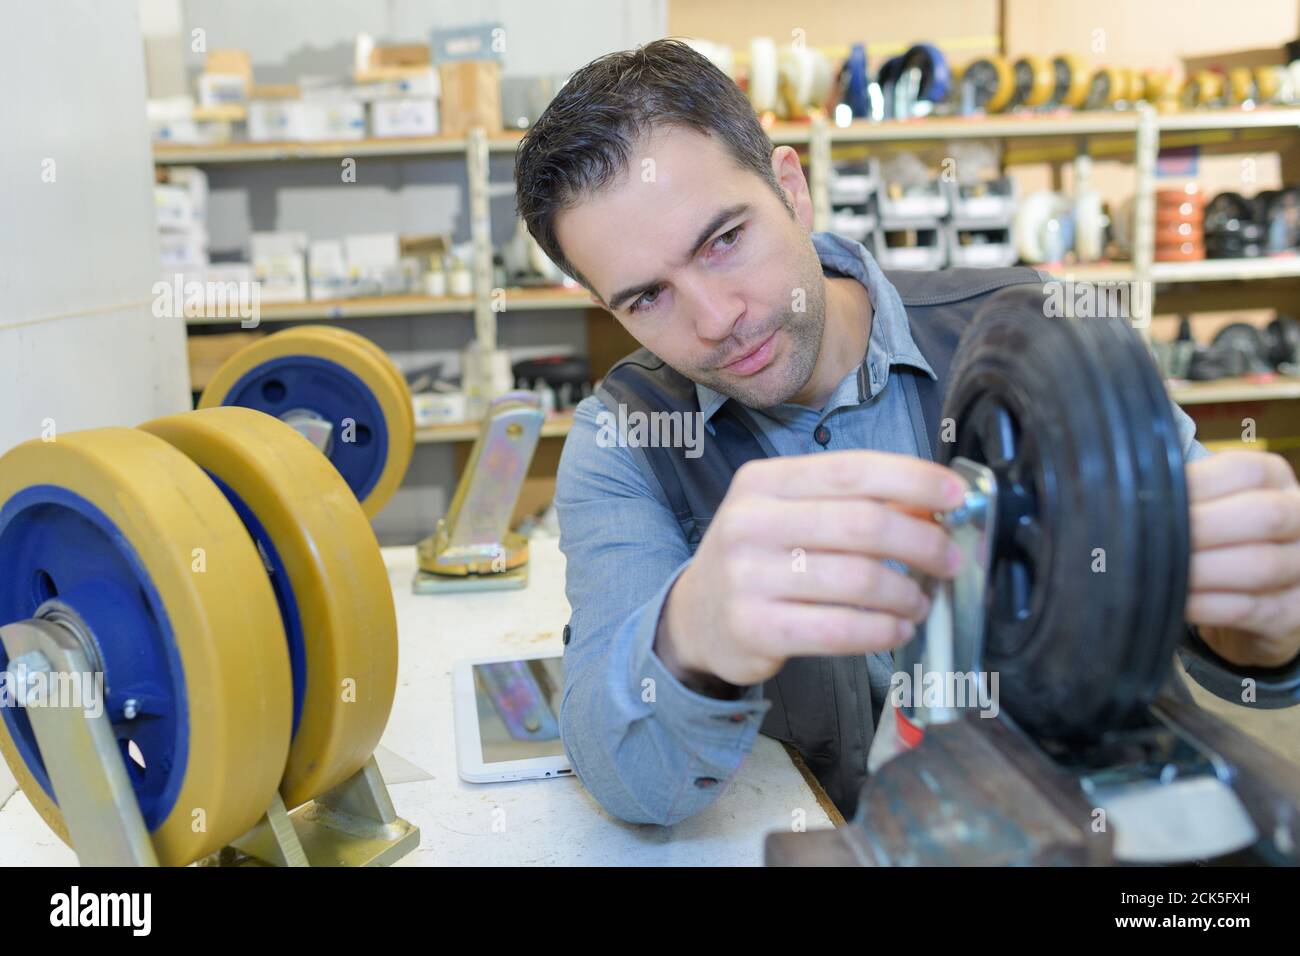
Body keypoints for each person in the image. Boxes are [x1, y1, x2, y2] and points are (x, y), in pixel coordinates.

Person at [513, 39, 1300, 824]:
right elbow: (627, 781)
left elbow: (1240, 643)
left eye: (724, 240)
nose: (717, 320)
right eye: (647, 297)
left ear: (792, 190)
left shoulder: (1041, 330)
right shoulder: (621, 443)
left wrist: (1257, 626)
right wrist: (693, 632)